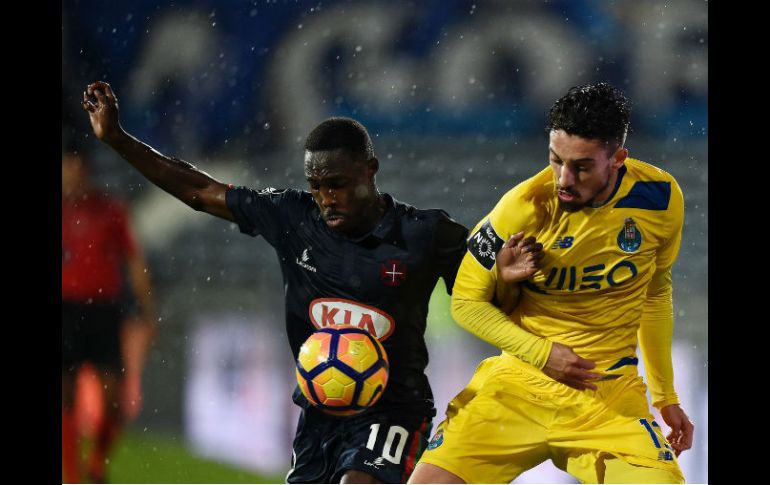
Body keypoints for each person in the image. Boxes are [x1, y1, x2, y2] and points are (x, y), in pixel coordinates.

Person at [81, 81, 468, 484]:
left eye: (335, 183)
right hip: (320, 412)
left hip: (394, 410)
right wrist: (116, 139)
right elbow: (199, 190)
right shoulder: (293, 217)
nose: (325, 197)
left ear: (370, 170)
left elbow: (490, 287)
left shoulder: (424, 233)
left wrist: (508, 278)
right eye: (315, 186)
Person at [409, 82, 695, 484]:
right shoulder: (522, 207)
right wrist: (543, 354)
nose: (563, 178)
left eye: (581, 166)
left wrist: (665, 396)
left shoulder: (661, 200)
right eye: (555, 160)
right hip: (516, 389)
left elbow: (655, 292)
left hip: (608, 397)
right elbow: (466, 303)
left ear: (618, 159)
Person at [62, 147, 157, 483]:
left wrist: (147, 310)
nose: (74, 175)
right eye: (68, 168)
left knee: (112, 399)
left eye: (78, 167)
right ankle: (72, 476)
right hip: (65, 309)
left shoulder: (110, 211)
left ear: (87, 171)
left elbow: (133, 260)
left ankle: (97, 461)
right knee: (66, 396)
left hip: (104, 311)